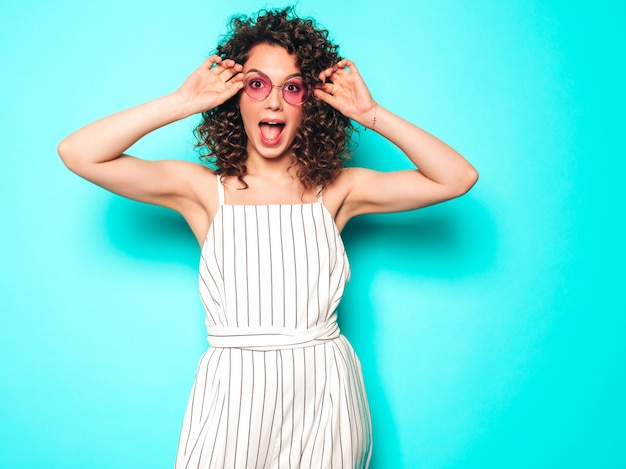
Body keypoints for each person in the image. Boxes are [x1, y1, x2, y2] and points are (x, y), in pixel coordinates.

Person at [58, 7, 477, 469]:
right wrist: (182, 102)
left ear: (310, 103)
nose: (274, 102)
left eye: (292, 88)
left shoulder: (339, 190)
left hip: (325, 393)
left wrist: (372, 114)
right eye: (257, 84)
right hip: (233, 392)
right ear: (237, 97)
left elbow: (456, 178)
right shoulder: (202, 191)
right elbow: (78, 153)